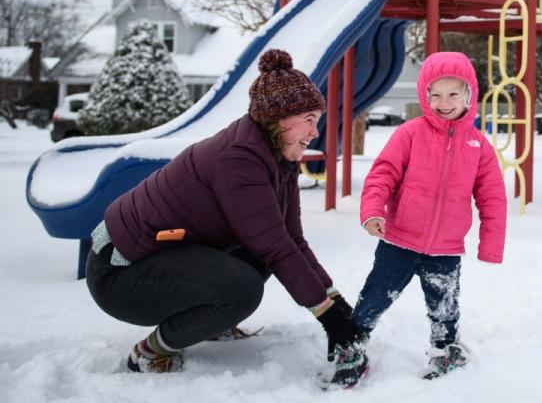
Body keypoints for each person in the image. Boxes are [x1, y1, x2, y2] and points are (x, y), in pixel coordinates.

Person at [85, 49, 363, 379]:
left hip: (161, 257)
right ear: (277, 120)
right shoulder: (239, 159)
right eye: (308, 120)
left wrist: (332, 298)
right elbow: (274, 245)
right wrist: (328, 317)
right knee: (242, 287)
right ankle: (149, 353)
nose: (314, 132)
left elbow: (291, 239)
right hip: (120, 273)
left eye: (316, 120)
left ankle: (207, 322)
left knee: (258, 257)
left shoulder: (277, 157)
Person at [336, 51, 507, 383]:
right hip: (400, 239)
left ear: (469, 94)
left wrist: (491, 245)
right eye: (435, 94)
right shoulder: (410, 133)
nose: (444, 102)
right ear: (425, 96)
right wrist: (373, 210)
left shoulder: (478, 146)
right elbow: (382, 173)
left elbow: (493, 198)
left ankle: (445, 351)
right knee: (375, 296)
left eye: (453, 94)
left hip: (446, 249)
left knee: (444, 307)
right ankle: (353, 345)